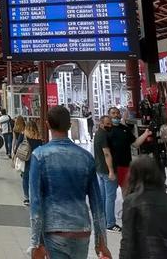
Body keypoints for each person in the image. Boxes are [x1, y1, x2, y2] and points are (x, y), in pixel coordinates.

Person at [29, 106, 109, 259]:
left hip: (54, 229)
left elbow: (35, 202)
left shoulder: (39, 156)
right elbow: (97, 204)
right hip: (81, 229)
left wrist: (36, 243)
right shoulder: (86, 157)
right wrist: (101, 242)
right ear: (69, 125)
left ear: (47, 124)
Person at [108, 106, 150, 195]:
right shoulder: (106, 130)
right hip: (111, 168)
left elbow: (135, 144)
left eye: (117, 113)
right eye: (113, 113)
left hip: (125, 165)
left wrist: (146, 134)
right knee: (110, 195)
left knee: (127, 192)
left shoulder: (125, 129)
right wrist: (109, 170)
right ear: (109, 115)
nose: (116, 115)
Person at [93, 114, 120, 232]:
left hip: (100, 170)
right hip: (106, 170)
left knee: (104, 196)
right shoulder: (103, 136)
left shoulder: (98, 134)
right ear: (101, 124)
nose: (110, 126)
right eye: (107, 124)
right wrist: (111, 171)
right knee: (110, 197)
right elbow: (107, 154)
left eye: (110, 123)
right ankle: (110, 223)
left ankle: (103, 221)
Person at [20, 119, 44, 206]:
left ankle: (27, 198)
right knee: (35, 179)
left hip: (26, 159)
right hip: (36, 160)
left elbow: (18, 146)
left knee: (25, 178)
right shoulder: (39, 138)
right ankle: (35, 196)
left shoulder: (24, 136)